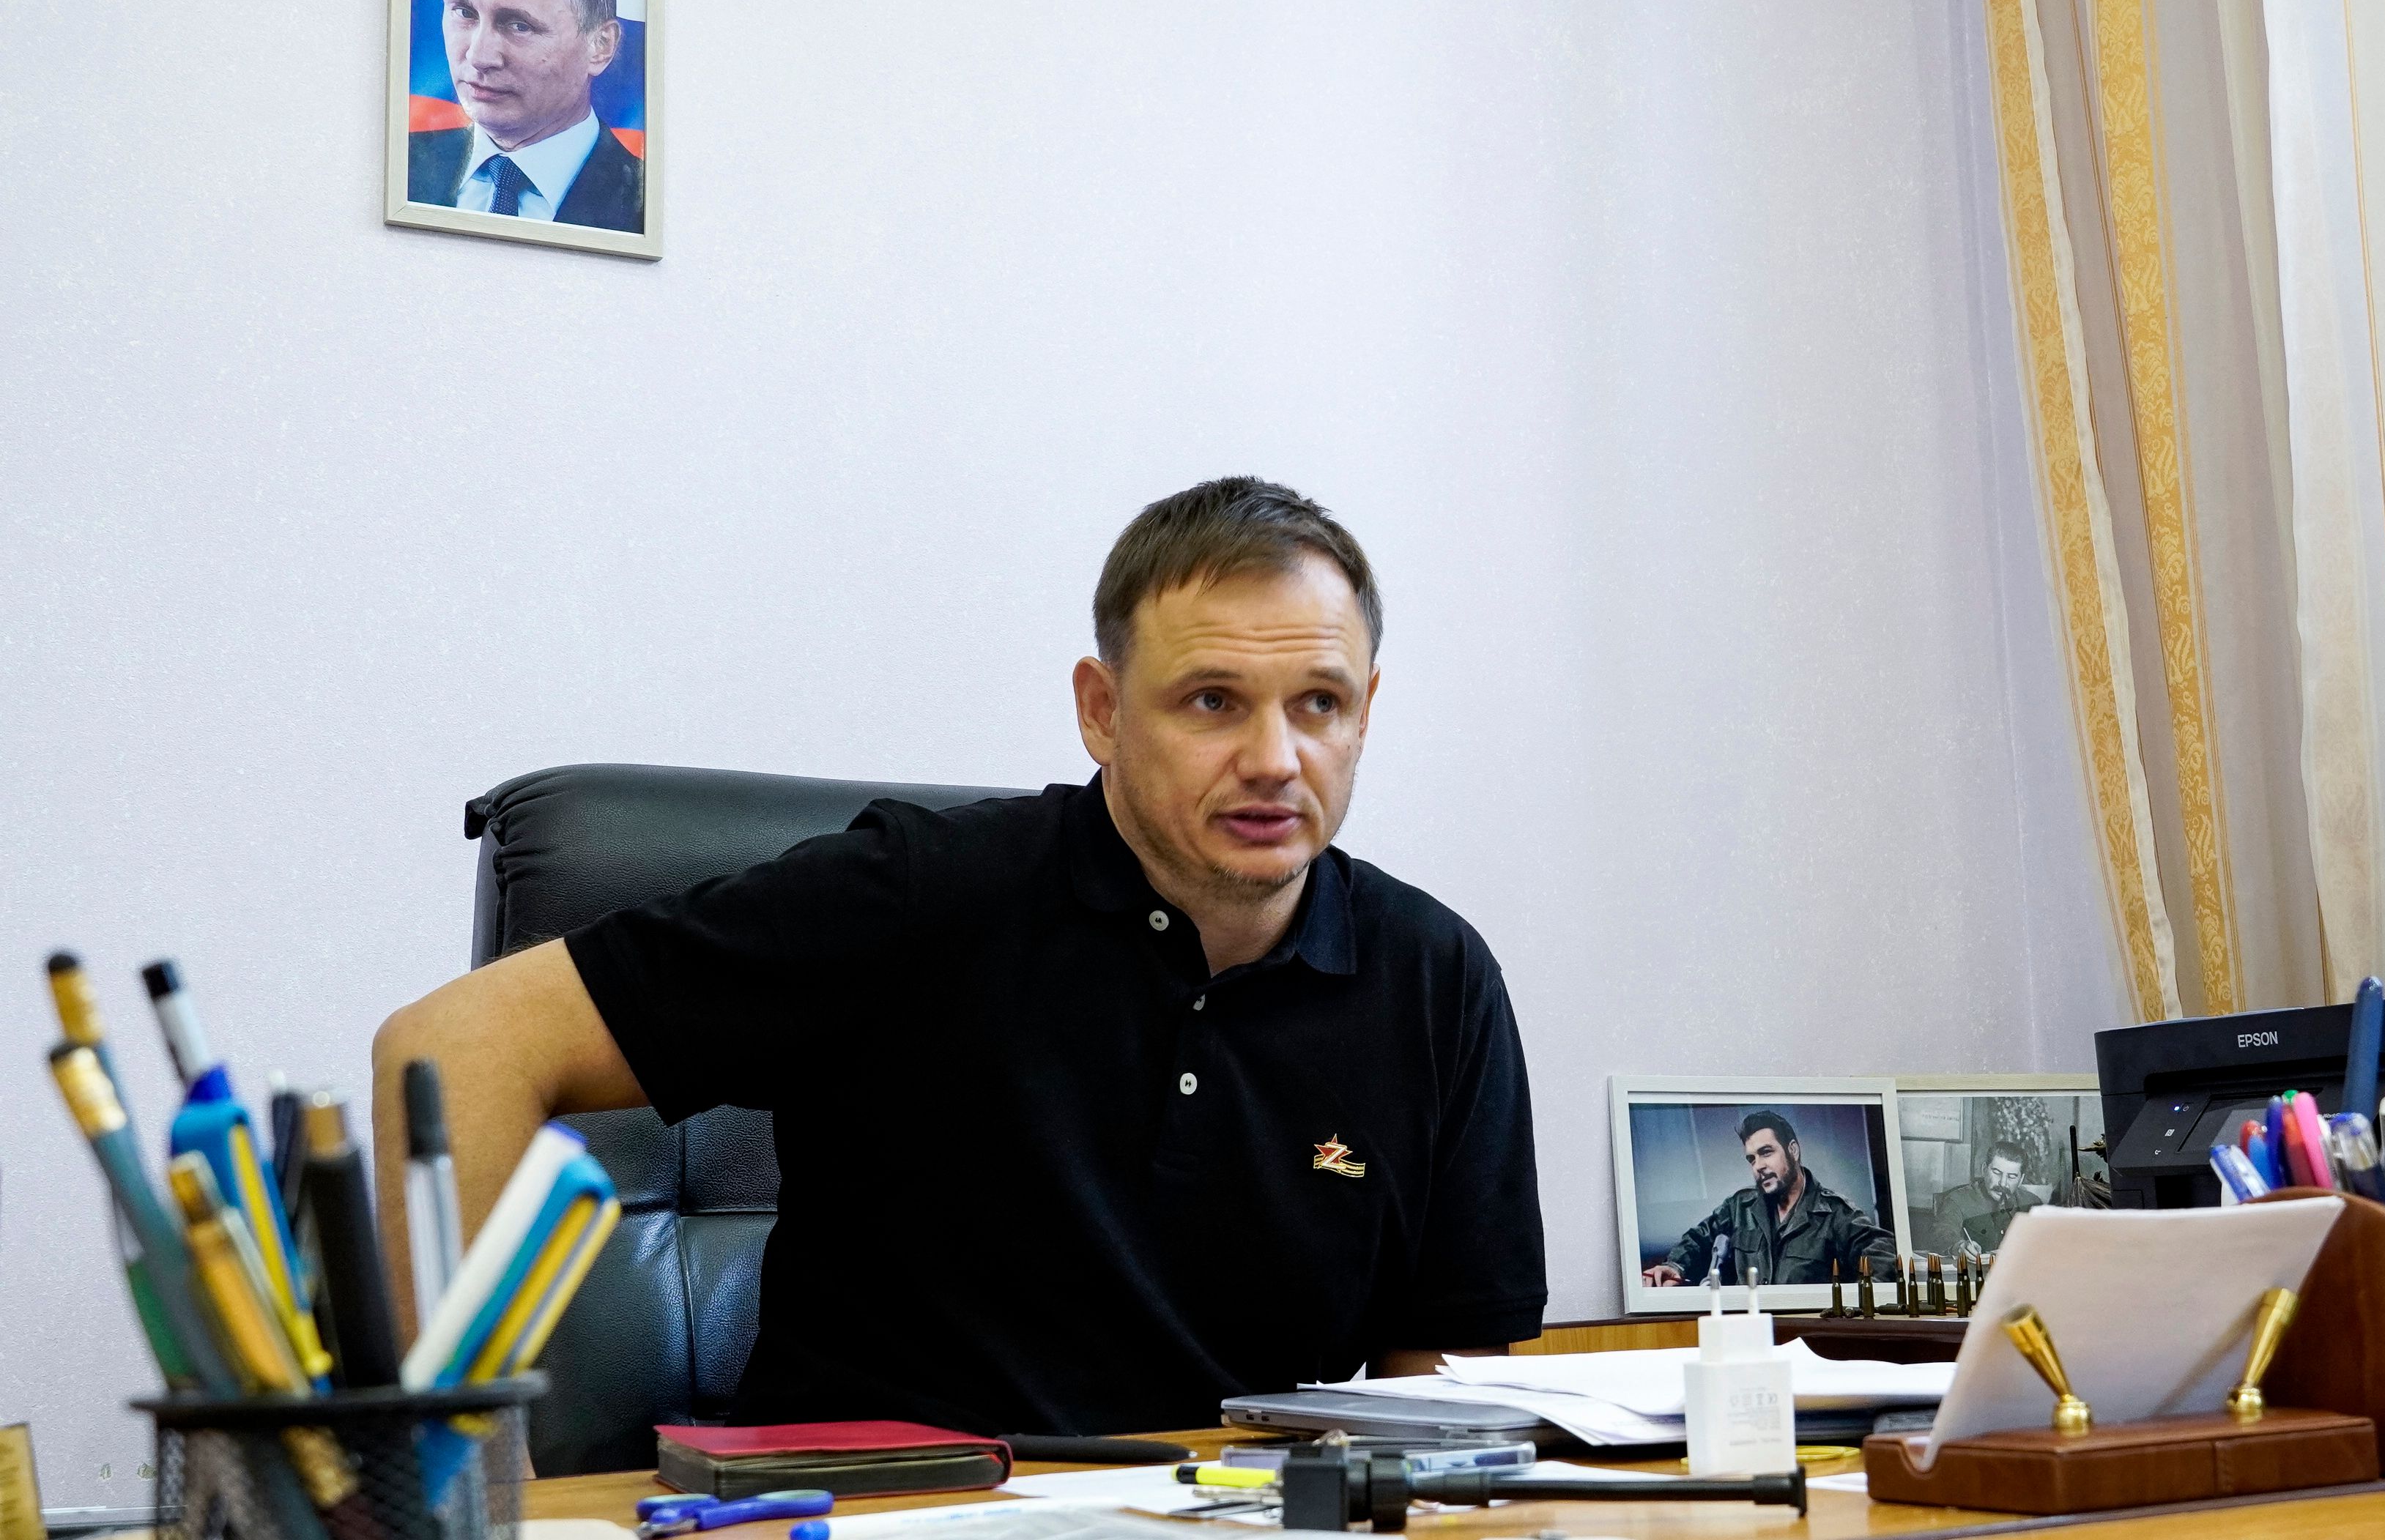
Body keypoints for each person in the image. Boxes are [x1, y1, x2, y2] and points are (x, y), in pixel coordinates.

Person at [371, 477, 1545, 1435]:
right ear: (1101, 710)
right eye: (1211, 701)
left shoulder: (1436, 978)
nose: (1276, 759)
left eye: (1319, 703)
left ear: (1366, 710)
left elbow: (1442, 1397)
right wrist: (459, 1468)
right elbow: (456, 1046)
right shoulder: (918, 894)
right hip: (879, 1514)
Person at [407, 0, 645, 233]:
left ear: (600, 46)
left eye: (519, 25)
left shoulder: (650, 208)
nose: (479, 56)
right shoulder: (397, 166)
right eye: (464, 12)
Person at [1641, 1109, 1895, 1288]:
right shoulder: (1739, 1207)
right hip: (1748, 1329)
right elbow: (1698, 1239)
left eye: (1766, 1153)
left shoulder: (1835, 1212)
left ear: (1793, 1150)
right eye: (1752, 1159)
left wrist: (1850, 1308)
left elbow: (1883, 1254)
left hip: (1804, 1334)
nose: (1758, 1166)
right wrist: (1675, 1266)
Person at [1930, 1137, 2041, 1252]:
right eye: (1997, 1172)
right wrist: (1960, 1246)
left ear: (2021, 1179)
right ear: (1984, 1169)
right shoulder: (1958, 1199)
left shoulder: (2032, 1203)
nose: (2003, 1183)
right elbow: (1943, 1234)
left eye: (2011, 1177)